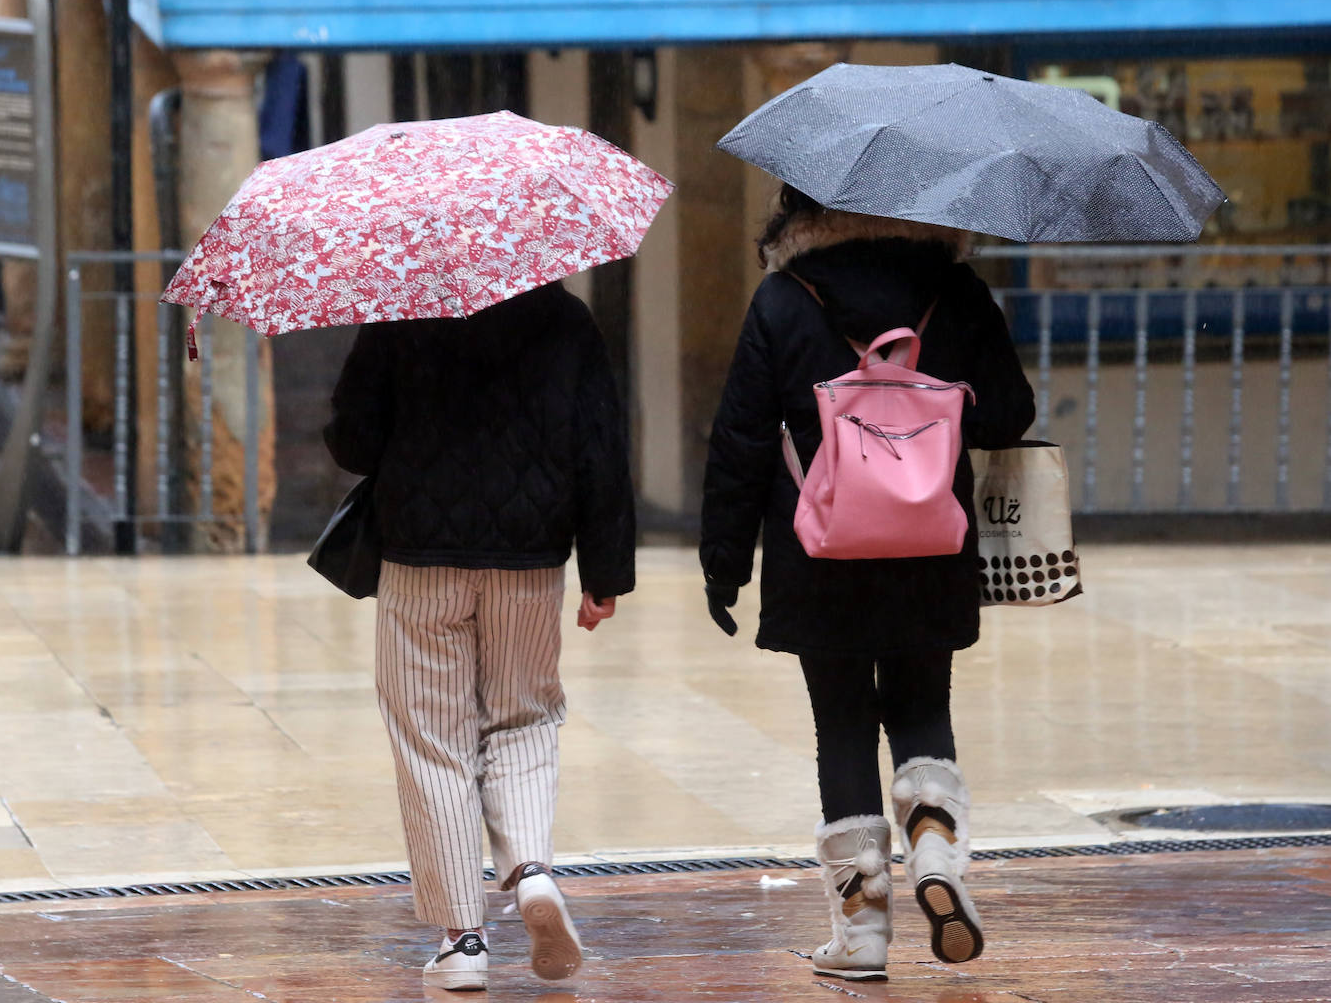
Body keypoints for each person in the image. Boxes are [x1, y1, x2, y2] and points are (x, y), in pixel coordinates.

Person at [699, 185, 1035, 982]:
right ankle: (935, 848)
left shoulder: (784, 297)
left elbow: (741, 437)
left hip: (820, 553)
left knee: (842, 722)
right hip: (930, 547)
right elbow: (1007, 415)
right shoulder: (953, 290)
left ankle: (862, 935)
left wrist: (724, 563)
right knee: (923, 702)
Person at [323, 280, 635, 992]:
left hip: (420, 557)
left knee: (432, 737)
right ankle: (530, 871)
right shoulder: (566, 319)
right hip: (530, 559)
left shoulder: (399, 307)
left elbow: (354, 440)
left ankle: (460, 939)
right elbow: (602, 450)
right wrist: (605, 569)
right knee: (523, 716)